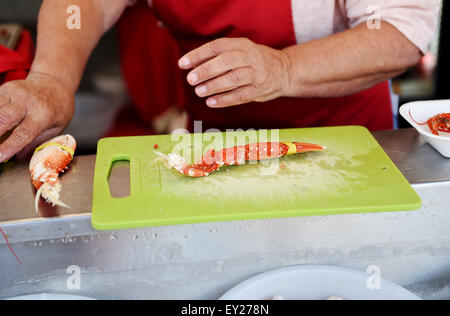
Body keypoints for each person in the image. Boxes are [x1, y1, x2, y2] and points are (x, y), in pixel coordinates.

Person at [0, 0, 441, 162]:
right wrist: (52, 77)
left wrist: (283, 70)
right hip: (212, 142)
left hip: (343, 140)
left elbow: (398, 29)